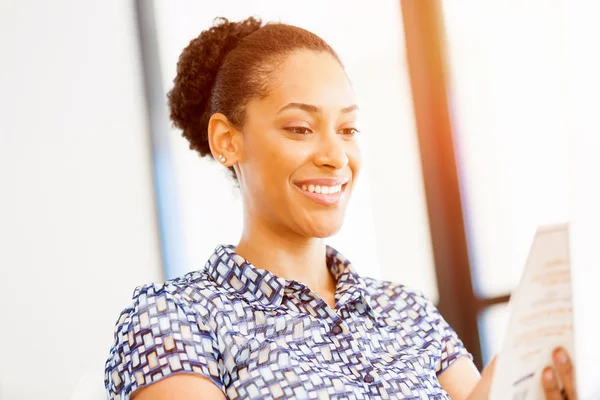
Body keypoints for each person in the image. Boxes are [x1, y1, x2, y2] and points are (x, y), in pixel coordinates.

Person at [104, 17, 577, 400]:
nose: (335, 156)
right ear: (228, 141)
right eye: (300, 128)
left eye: (347, 129)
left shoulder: (404, 312)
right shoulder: (174, 322)